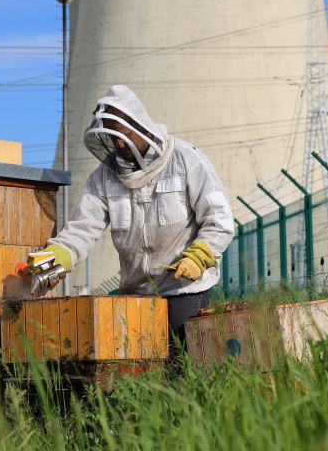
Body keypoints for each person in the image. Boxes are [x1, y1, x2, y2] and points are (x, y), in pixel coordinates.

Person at [37, 85, 234, 344]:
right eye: (113, 137)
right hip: (136, 296)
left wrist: (200, 255)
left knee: (183, 362)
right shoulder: (104, 177)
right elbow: (84, 227)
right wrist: (59, 254)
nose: (119, 144)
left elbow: (219, 220)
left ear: (142, 126)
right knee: (140, 366)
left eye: (125, 135)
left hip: (184, 290)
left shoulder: (187, 160)